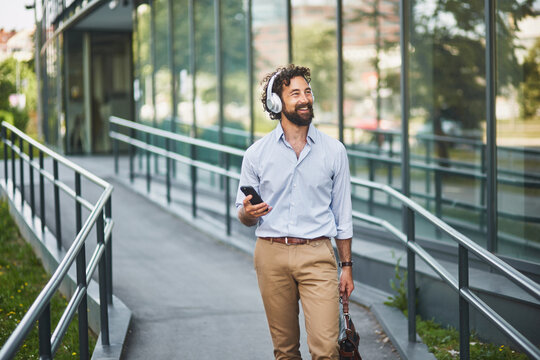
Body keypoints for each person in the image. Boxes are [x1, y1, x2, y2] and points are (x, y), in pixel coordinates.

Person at [235, 64, 354, 360]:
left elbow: (343, 214)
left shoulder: (334, 151)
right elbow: (243, 213)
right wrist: (249, 213)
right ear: (277, 103)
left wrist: (347, 266)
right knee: (285, 351)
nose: (305, 99)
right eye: (295, 93)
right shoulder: (256, 154)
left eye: (308, 92)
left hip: (317, 254)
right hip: (271, 255)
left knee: (326, 350)